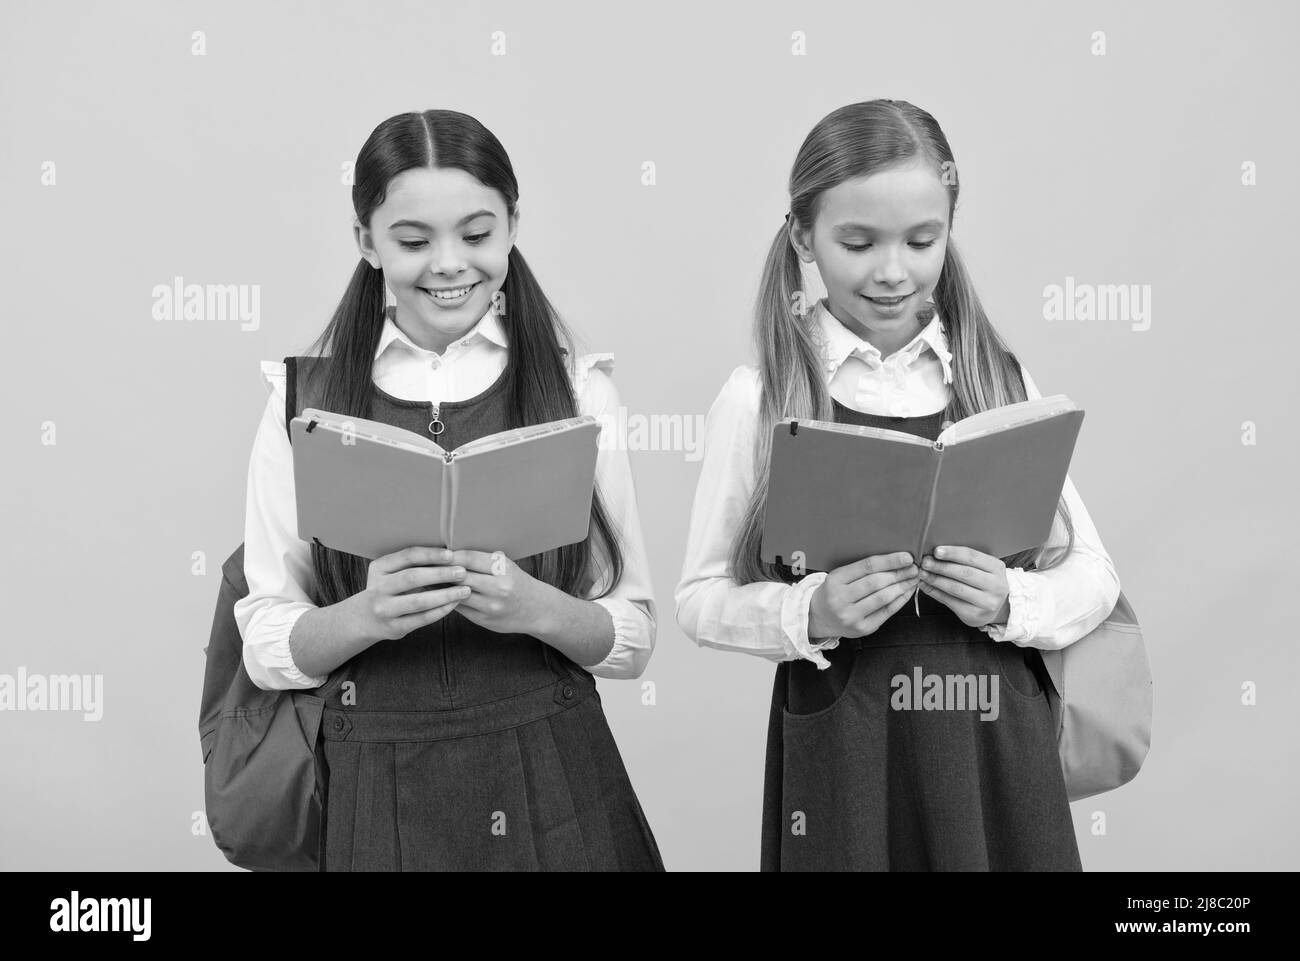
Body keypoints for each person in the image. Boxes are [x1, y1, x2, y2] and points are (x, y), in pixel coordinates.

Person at [675, 99, 1121, 871]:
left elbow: (1096, 575)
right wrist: (808, 610)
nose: (892, 271)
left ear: (951, 228)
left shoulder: (997, 380)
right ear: (802, 237)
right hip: (849, 743)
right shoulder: (763, 394)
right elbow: (699, 598)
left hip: (991, 732)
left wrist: (1013, 601)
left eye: (923, 240)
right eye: (858, 242)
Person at [235, 109, 663, 871]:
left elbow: (629, 637)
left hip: (555, 768)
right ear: (366, 241)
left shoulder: (575, 387)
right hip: (379, 777)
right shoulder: (304, 397)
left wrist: (534, 606)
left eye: (476, 233)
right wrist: (367, 614)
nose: (448, 263)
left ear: (512, 225)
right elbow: (268, 640)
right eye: (411, 240)